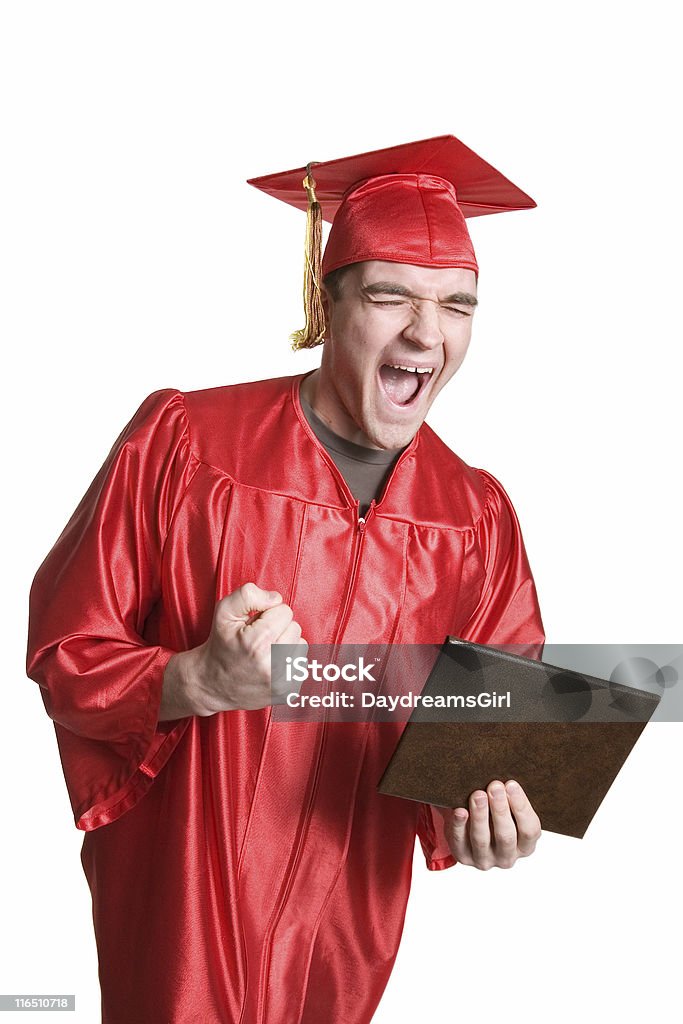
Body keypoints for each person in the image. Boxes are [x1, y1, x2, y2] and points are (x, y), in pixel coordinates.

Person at [27, 135, 545, 1024]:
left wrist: (477, 817)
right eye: (391, 295)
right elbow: (67, 649)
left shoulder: (475, 517)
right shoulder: (186, 444)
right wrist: (191, 678)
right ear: (326, 298)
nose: (427, 333)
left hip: (347, 930)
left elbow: (494, 745)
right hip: (187, 912)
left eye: (457, 305)